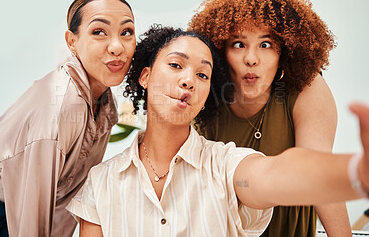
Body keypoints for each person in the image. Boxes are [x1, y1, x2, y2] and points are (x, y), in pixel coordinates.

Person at [66, 25, 369, 237]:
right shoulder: (101, 182)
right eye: (175, 65)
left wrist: (355, 172)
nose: (189, 81)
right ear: (145, 77)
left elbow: (278, 174)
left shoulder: (226, 167)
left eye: (202, 74)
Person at [0, 0, 136, 236]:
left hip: (11, 209)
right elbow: (34, 209)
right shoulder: (61, 104)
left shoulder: (105, 104)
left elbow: (67, 196)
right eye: (99, 32)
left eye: (127, 32)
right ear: (72, 42)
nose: (117, 46)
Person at [188, 0, 351, 236]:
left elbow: (318, 173)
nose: (251, 59)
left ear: (284, 52)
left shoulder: (306, 90)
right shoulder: (206, 98)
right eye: (239, 44)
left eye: (265, 45)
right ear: (220, 50)